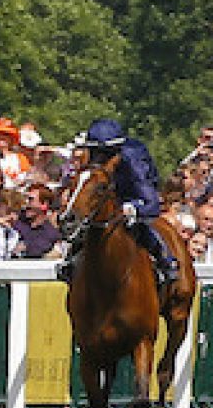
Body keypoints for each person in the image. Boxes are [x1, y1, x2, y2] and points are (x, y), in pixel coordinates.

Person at [57, 118, 178, 284]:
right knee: (88, 223)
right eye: (95, 153)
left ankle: (165, 259)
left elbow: (152, 204)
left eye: (104, 154)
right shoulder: (90, 160)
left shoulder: (134, 161)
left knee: (138, 226)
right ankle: (70, 261)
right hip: (104, 195)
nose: (98, 159)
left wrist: (132, 208)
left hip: (134, 194)